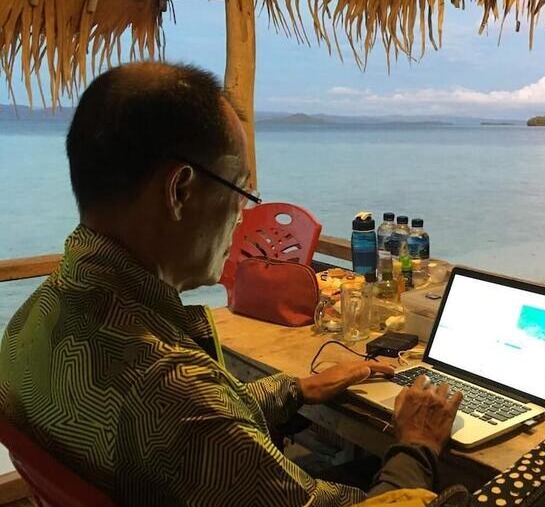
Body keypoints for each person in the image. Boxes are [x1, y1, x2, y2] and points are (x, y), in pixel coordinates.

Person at [0, 62, 462, 506]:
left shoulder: (35, 318)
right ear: (180, 190)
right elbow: (192, 419)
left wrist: (298, 388)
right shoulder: (170, 389)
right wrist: (417, 446)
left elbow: (199, 426)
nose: (242, 216)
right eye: (240, 192)